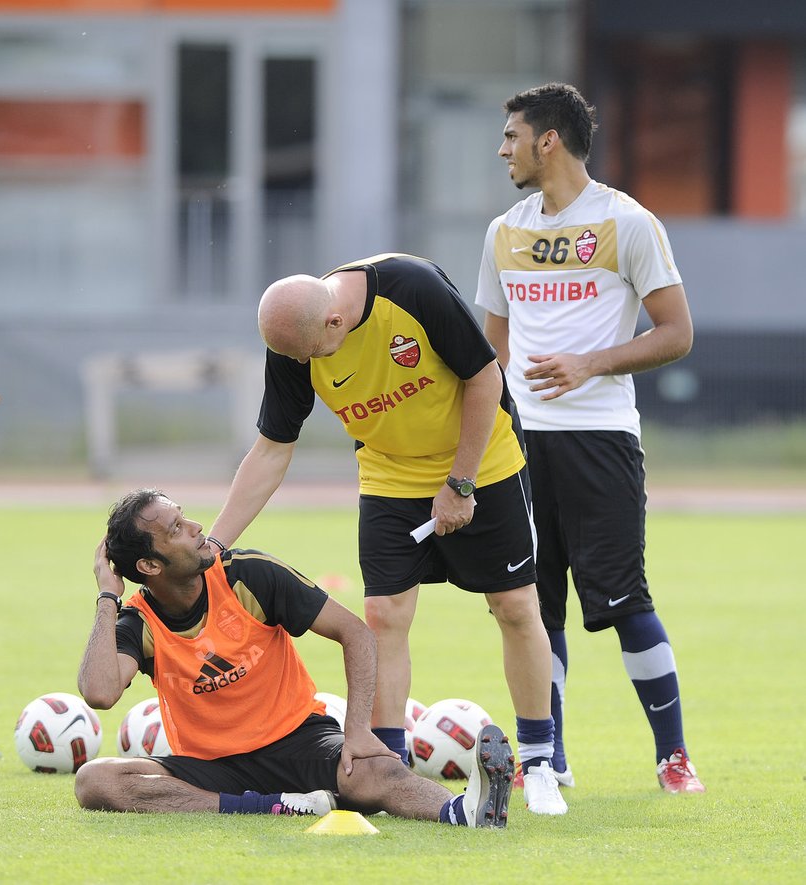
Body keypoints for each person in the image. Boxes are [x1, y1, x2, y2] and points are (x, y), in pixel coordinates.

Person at [206, 253, 567, 815]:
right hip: (390, 472)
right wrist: (216, 544)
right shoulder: (292, 344)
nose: (303, 365)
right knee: (384, 615)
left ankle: (541, 762)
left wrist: (461, 483)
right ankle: (387, 771)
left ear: (332, 323)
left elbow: (484, 376)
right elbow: (274, 447)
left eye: (309, 354)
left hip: (482, 460)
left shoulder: (412, 287)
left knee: (516, 605)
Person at [474, 82, 705, 794]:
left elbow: (677, 333)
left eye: (512, 135)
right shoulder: (503, 231)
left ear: (549, 140)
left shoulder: (627, 222)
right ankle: (551, 756)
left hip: (601, 439)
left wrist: (590, 363)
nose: (503, 148)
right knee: (532, 605)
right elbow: (493, 347)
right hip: (521, 449)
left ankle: (673, 758)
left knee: (624, 600)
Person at [75, 488, 515, 828]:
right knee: (95, 781)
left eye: (183, 516)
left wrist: (358, 730)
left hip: (299, 741)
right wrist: (107, 597)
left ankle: (463, 811)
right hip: (209, 768)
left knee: (377, 769)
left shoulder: (249, 574)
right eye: (175, 529)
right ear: (150, 566)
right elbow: (99, 692)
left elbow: (356, 634)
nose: (195, 526)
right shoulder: (140, 620)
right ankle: (269, 808)